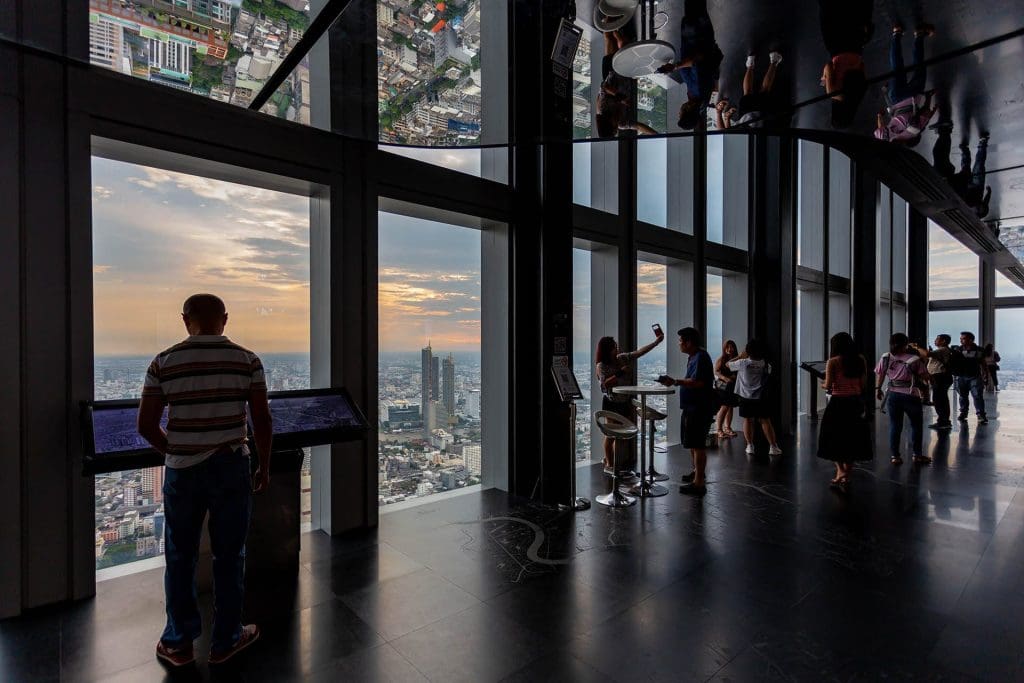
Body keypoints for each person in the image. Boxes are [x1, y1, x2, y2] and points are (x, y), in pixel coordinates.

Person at [137, 294, 271, 667]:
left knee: (180, 555)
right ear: (225, 319)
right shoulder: (247, 360)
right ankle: (226, 638)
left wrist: (177, 450)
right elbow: (261, 420)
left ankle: (178, 642)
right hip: (231, 465)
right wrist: (265, 465)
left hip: (183, 472)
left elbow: (145, 425)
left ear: (185, 320)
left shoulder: (163, 362)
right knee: (231, 554)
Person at [595, 330, 665, 472]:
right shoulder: (601, 365)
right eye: (614, 346)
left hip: (625, 401)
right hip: (612, 402)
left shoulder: (622, 358)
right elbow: (604, 384)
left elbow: (639, 352)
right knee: (612, 434)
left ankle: (613, 462)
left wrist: (656, 342)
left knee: (620, 434)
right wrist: (620, 372)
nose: (617, 348)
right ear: (608, 350)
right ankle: (609, 463)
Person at [658, 327, 714, 496]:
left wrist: (675, 381)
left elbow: (698, 382)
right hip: (693, 407)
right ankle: (697, 473)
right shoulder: (695, 357)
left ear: (689, 342)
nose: (679, 344)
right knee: (693, 443)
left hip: (698, 407)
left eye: (681, 341)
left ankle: (699, 483)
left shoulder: (700, 357)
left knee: (697, 445)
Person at [817, 332, 872, 493]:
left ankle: (840, 470)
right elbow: (863, 384)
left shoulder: (833, 362)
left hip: (838, 404)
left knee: (832, 437)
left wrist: (822, 384)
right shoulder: (860, 360)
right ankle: (847, 475)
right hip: (855, 403)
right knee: (852, 438)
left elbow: (827, 386)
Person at [656, 0, 723, 131]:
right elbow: (697, 60)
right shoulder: (698, 90)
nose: (678, 112)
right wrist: (674, 67)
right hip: (697, 36)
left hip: (695, 38)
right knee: (694, 6)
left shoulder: (699, 99)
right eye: (681, 114)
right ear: (688, 110)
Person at [875, 332, 930, 466]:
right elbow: (926, 377)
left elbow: (881, 374)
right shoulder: (914, 359)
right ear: (906, 344)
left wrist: (878, 389)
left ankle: (895, 456)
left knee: (895, 426)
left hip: (893, 395)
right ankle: (917, 455)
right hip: (911, 395)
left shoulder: (886, 357)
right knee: (916, 426)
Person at [817, 0, 872, 128]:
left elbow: (862, 66)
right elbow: (828, 66)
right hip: (837, 46)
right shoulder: (834, 93)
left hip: (856, 46)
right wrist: (824, 79)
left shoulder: (858, 94)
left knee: (850, 12)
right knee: (829, 10)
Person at [595, 29, 658, 137]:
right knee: (623, 44)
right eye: (616, 130)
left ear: (608, 124)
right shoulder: (622, 123)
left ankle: (609, 20)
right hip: (625, 74)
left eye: (614, 128)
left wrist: (620, 97)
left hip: (611, 71)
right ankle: (615, 25)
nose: (617, 128)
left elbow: (604, 87)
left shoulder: (602, 109)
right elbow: (638, 126)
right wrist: (656, 134)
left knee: (610, 38)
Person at [728, 339, 782, 456]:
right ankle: (773, 447)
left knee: (748, 420)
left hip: (744, 396)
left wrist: (739, 356)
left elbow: (727, 364)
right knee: (765, 420)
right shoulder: (763, 363)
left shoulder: (743, 362)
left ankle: (750, 445)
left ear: (747, 351)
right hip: (760, 396)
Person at [911, 334, 954, 430]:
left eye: (937, 339)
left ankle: (944, 421)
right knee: (941, 399)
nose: (935, 341)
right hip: (940, 377)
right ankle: (943, 420)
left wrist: (916, 347)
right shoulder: (942, 351)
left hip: (940, 377)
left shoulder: (943, 350)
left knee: (939, 399)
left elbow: (927, 354)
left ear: (943, 341)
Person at [952, 134, 992, 219]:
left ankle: (967, 150)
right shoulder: (980, 212)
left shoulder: (969, 209)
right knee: (978, 165)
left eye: (978, 208)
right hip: (975, 186)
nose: (978, 206)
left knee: (971, 166)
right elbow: (985, 202)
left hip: (970, 185)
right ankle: (980, 145)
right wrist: (988, 192)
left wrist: (989, 192)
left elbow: (985, 202)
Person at [952, 331, 989, 424]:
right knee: (962, 396)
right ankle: (963, 413)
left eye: (963, 338)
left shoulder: (979, 350)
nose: (961, 340)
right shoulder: (958, 350)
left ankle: (980, 414)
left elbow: (983, 363)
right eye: (961, 339)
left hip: (974, 376)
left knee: (977, 396)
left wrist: (985, 375)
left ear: (971, 340)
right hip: (961, 376)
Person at [713, 339, 740, 438]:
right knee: (724, 407)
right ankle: (719, 429)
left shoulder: (737, 359)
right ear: (724, 348)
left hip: (732, 386)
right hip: (723, 387)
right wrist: (725, 378)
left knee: (730, 407)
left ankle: (727, 427)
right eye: (727, 347)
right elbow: (716, 371)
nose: (729, 349)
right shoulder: (722, 359)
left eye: (731, 347)